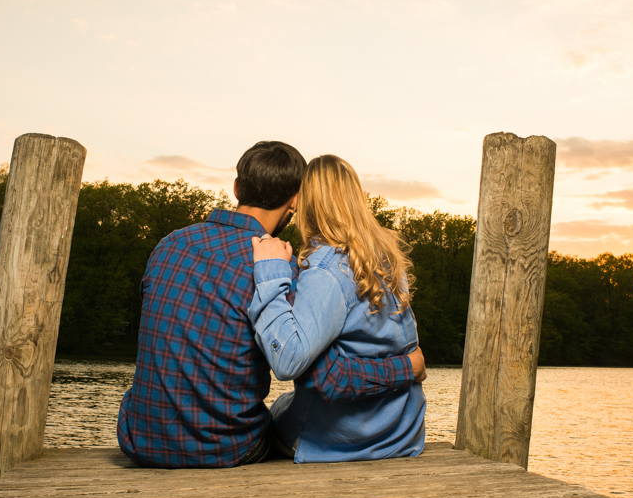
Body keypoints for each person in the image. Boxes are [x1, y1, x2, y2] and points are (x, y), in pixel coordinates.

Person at [117, 141, 426, 468]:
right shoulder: (280, 270)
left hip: (139, 438)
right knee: (276, 411)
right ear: (294, 203)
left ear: (236, 187)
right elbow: (327, 376)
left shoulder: (168, 246)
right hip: (226, 448)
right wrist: (409, 367)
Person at [248, 154, 426, 463]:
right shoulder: (388, 261)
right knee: (285, 403)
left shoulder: (326, 271)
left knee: (265, 417)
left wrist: (270, 273)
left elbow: (289, 360)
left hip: (341, 442)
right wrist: (409, 368)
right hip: (401, 434)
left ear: (306, 203)